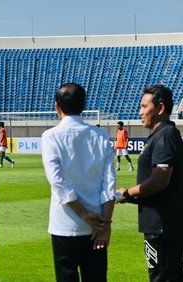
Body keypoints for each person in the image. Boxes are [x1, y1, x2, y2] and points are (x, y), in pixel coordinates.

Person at [41, 83, 116, 282]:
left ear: (57, 106)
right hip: (97, 226)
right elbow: (109, 184)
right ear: (84, 105)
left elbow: (57, 183)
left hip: (65, 224)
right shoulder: (101, 136)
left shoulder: (50, 136)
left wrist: (83, 214)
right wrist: (105, 224)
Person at [117, 84, 183, 282]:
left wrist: (128, 192)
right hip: (160, 223)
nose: (140, 112)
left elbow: (160, 180)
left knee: (162, 277)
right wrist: (130, 197)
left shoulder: (165, 136)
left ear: (160, 108)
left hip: (162, 225)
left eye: (144, 106)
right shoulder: (159, 136)